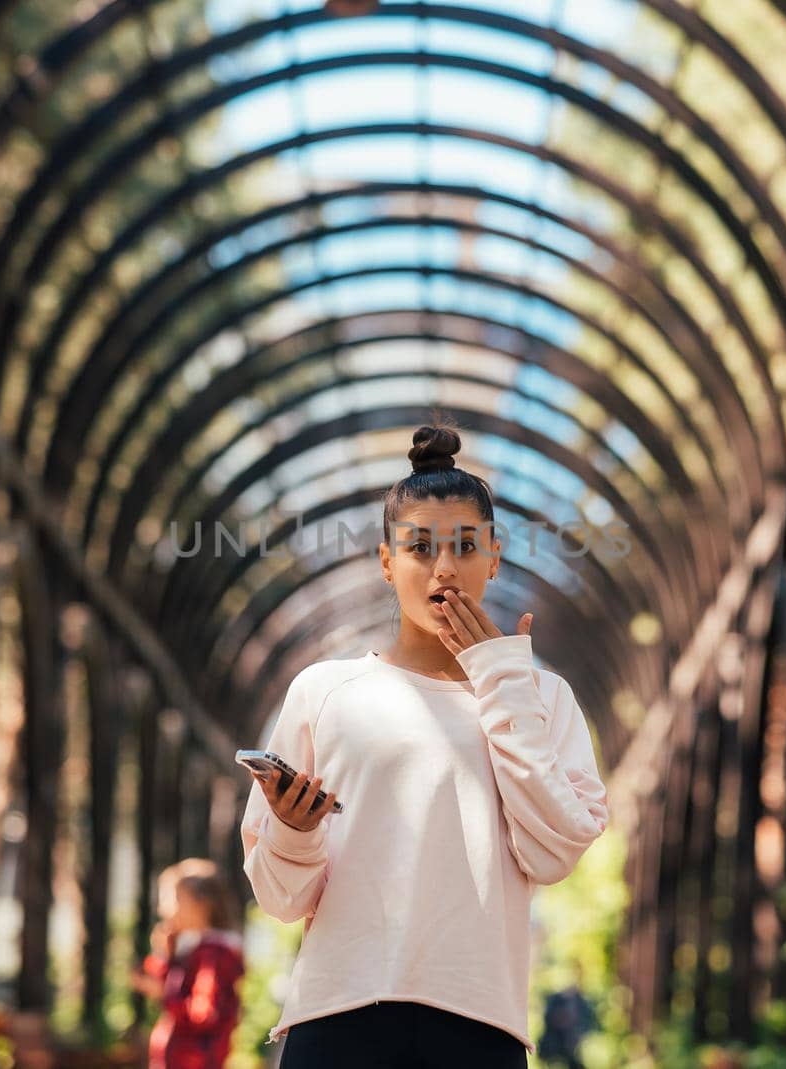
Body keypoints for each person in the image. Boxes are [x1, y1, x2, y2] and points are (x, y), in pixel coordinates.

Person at [240, 421, 610, 1068]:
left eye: (466, 545)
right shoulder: (324, 690)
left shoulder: (541, 697)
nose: (444, 567)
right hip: (337, 1019)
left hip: (480, 1027)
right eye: (420, 548)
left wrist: (499, 679)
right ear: (387, 562)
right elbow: (279, 897)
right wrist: (296, 833)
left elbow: (551, 849)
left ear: (495, 556)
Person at [130, 857, 246, 1069]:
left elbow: (204, 1014)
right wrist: (165, 953)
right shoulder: (191, 948)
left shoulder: (215, 953)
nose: (163, 910)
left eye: (173, 899)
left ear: (202, 904)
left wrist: (163, 994)